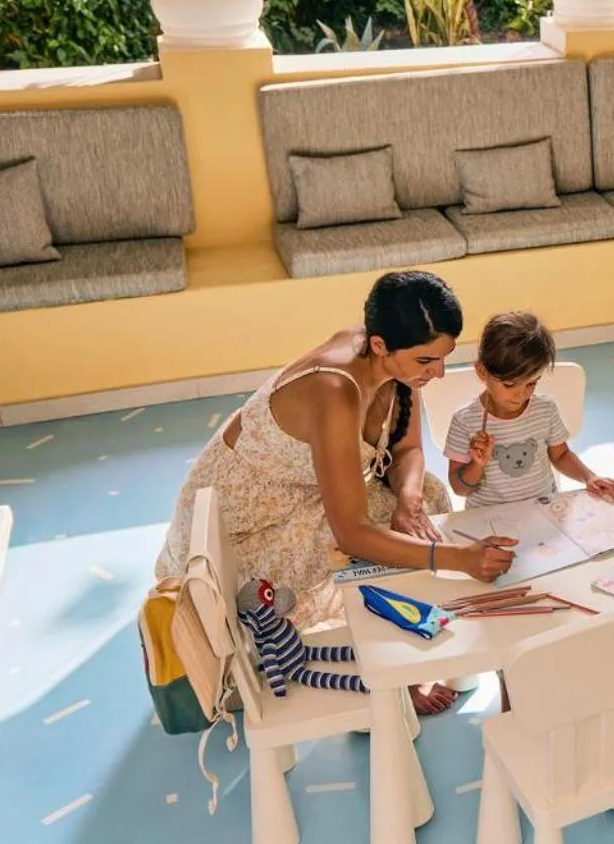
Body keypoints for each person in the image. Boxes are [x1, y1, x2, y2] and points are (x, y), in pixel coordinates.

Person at [155, 270, 514, 714]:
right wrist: (458, 559)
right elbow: (352, 534)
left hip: (300, 493)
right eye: (427, 361)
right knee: (376, 546)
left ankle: (433, 644)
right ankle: (390, 669)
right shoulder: (334, 391)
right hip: (245, 527)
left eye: (444, 358)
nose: (439, 373)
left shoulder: (387, 355)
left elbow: (408, 449)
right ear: (381, 346)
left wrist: (408, 499)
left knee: (428, 500)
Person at [445, 311, 614, 508]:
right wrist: (477, 465)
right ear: (482, 372)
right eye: (509, 385)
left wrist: (589, 477)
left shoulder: (545, 409)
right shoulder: (464, 422)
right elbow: (460, 489)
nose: (522, 394)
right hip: (491, 521)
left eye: (532, 383)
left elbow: (560, 455)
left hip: (543, 512)